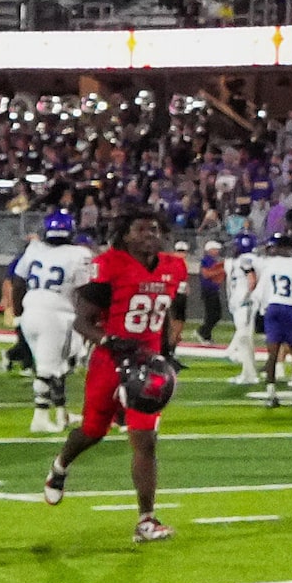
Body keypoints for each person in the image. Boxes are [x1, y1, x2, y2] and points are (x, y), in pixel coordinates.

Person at [41, 210, 187, 539]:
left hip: (147, 362)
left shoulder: (173, 267)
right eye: (141, 229)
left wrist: (166, 353)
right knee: (93, 430)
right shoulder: (109, 264)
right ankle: (60, 465)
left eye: (154, 229)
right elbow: (82, 321)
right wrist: (109, 340)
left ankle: (146, 519)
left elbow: (167, 315)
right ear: (124, 235)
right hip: (110, 361)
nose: (150, 234)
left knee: (145, 440)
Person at [5, 212, 93, 435]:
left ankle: (61, 411)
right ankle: (41, 416)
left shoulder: (35, 249)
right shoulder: (79, 253)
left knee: (54, 365)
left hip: (31, 311)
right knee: (53, 367)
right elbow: (85, 290)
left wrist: (17, 313)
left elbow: (18, 280)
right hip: (58, 313)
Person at [250, 230, 292, 407]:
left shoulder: (269, 264)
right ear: (291, 247)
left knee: (272, 353)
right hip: (290, 308)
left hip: (273, 307)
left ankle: (271, 395)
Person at [224, 231, 261, 382]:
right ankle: (248, 372)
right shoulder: (238, 260)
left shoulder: (247, 259)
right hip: (239, 302)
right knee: (246, 339)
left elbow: (252, 279)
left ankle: (249, 374)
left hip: (244, 303)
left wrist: (246, 297)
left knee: (244, 337)